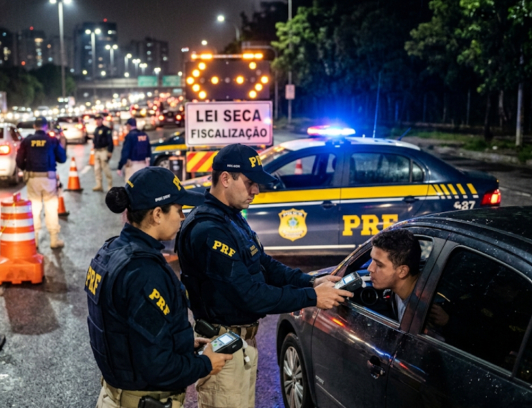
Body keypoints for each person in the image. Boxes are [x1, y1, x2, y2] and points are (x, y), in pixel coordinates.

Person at [177, 144, 353, 408]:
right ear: (225, 178)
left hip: (239, 343)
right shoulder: (209, 229)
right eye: (250, 183)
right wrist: (312, 297)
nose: (256, 190)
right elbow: (250, 295)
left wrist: (309, 281)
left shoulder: (230, 216)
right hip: (223, 347)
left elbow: (263, 264)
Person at [87, 167, 232, 408]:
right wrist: (205, 364)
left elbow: (129, 333)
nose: (183, 217)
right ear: (157, 214)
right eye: (179, 209)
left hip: (116, 395)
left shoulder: (110, 251)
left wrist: (181, 343)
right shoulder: (142, 272)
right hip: (144, 401)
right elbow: (158, 367)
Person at [16, 116, 67, 249]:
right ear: (46, 126)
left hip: (32, 178)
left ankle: (35, 241)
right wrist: (63, 145)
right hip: (48, 178)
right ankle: (54, 240)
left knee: (34, 209)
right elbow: (62, 159)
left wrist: (27, 168)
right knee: (51, 208)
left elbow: (19, 161)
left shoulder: (27, 140)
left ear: (34, 126)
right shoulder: (52, 140)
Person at [367, 228, 422, 322]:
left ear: (402, 271)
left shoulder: (422, 310)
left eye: (379, 265)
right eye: (372, 260)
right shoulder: (399, 293)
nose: (370, 268)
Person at [117, 118, 151, 182]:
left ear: (129, 125)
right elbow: (148, 148)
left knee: (131, 185)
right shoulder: (144, 134)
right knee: (141, 184)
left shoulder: (130, 136)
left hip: (132, 166)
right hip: (143, 165)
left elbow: (125, 152)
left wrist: (120, 167)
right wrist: (148, 161)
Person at [92, 114, 114, 192]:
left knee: (105, 168)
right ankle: (99, 185)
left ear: (102, 120)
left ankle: (110, 185)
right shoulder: (96, 129)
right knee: (97, 169)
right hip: (97, 151)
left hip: (103, 150)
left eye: (99, 119)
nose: (97, 121)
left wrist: (110, 151)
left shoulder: (106, 129)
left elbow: (110, 141)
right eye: (96, 120)